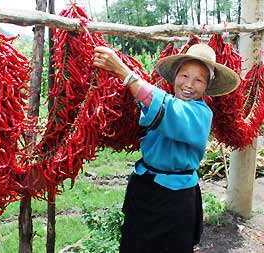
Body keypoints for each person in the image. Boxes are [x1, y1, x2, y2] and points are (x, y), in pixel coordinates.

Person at [93, 43, 240, 253]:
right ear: (175, 77)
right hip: (143, 187)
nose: (189, 84)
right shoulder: (167, 99)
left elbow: (167, 110)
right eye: (184, 76)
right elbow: (147, 106)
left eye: (199, 80)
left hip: (175, 199)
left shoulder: (201, 114)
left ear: (207, 86)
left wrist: (123, 71)